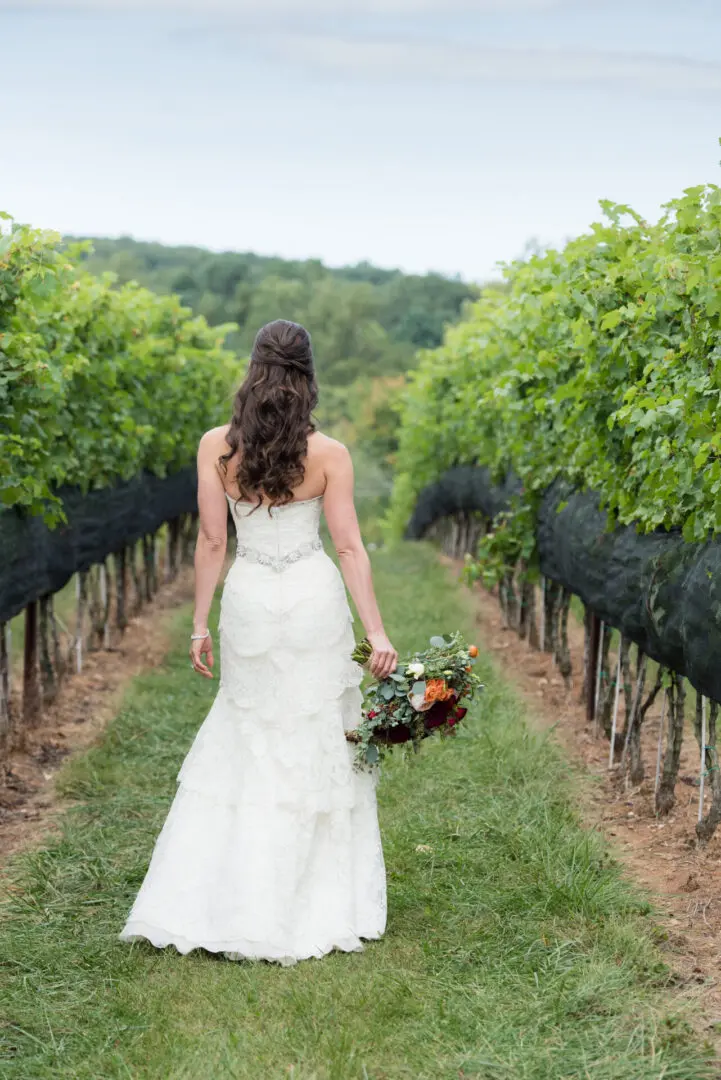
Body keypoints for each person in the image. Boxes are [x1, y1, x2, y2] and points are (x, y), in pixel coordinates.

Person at [119, 319, 397, 966]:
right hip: (309, 598)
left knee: (249, 732)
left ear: (252, 368)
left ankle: (230, 895)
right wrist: (375, 630)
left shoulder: (216, 446)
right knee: (316, 734)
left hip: (247, 599)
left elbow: (213, 542)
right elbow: (349, 546)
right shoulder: (329, 453)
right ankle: (313, 898)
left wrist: (197, 623)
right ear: (308, 375)